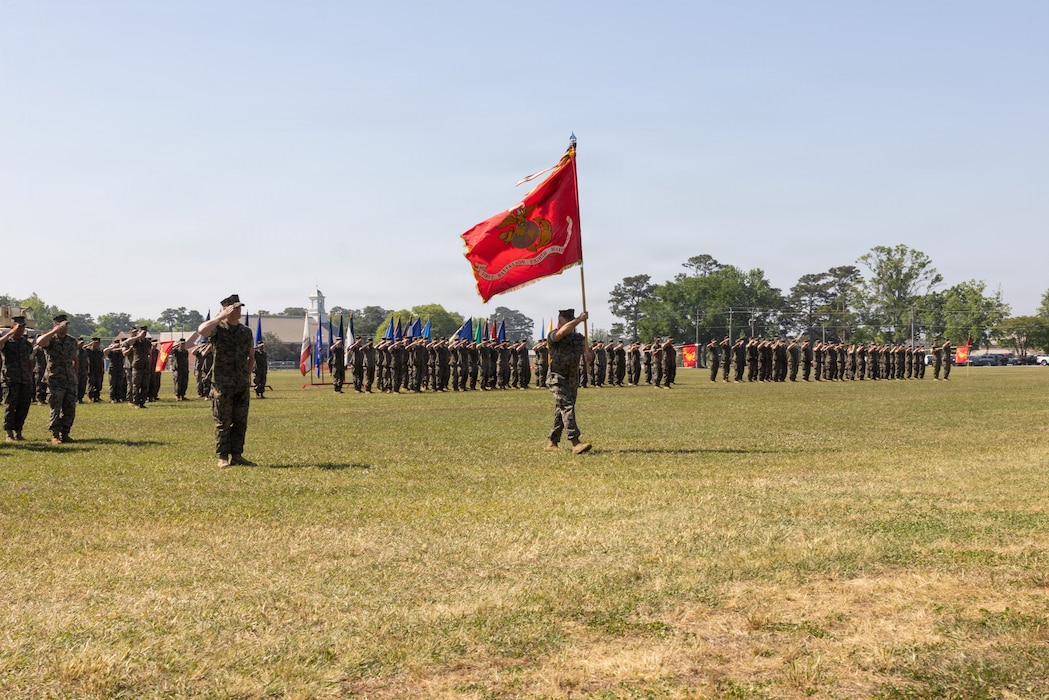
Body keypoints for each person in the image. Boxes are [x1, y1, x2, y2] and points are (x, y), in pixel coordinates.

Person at [198, 294, 256, 467]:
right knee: (222, 422)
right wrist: (220, 317)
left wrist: (248, 375)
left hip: (241, 383)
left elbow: (251, 354)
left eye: (239, 307)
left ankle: (237, 455)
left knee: (240, 421)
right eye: (234, 308)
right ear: (226, 309)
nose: (238, 310)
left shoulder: (245, 331)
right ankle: (223, 457)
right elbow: (202, 330)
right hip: (222, 383)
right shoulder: (218, 328)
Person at [545, 308, 593, 454]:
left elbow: (588, 353)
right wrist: (578, 319)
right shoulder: (553, 335)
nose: (574, 324)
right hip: (556, 377)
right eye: (569, 321)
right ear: (560, 321)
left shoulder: (579, 338)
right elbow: (561, 333)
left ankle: (552, 441)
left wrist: (589, 356)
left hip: (572, 378)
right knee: (567, 406)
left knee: (562, 409)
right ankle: (575, 442)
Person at [35, 314, 79, 444]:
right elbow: (39, 342)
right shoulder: (51, 340)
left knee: (70, 407)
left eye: (66, 326)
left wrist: (75, 376)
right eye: (62, 325)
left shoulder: (72, 341)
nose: (65, 328)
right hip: (55, 380)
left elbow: (75, 359)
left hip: (69, 379)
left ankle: (65, 433)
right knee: (56, 407)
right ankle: (55, 435)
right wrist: (54, 331)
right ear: (56, 325)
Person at [0, 316, 34, 442]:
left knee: (23, 406)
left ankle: (18, 431)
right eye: (18, 327)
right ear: (12, 327)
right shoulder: (6, 342)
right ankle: (8, 433)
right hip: (10, 379)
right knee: (10, 406)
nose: (21, 330)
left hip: (25, 379)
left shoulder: (26, 344)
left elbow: (30, 361)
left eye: (23, 327)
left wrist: (30, 376)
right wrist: (9, 334)